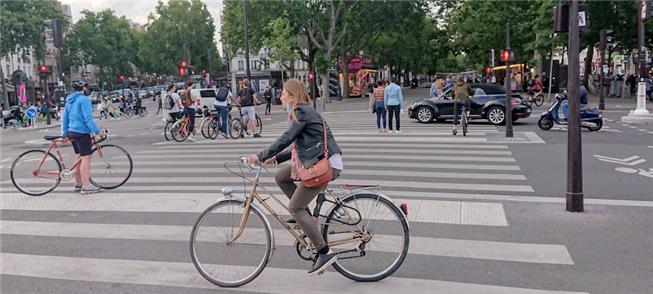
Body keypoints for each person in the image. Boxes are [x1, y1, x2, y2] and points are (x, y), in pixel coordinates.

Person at [245, 78, 343, 276]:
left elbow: (286, 138)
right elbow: (296, 144)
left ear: (292, 95)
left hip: (325, 165)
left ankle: (324, 252)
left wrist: (261, 155)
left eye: (283, 93)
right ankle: (304, 217)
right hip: (317, 161)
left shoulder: (301, 111)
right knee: (281, 175)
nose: (280, 96)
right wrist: (276, 158)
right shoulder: (302, 111)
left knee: (294, 207)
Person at [61, 81, 106, 194]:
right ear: (84, 88)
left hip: (72, 131)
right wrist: (97, 131)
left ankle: (78, 183)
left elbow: (65, 117)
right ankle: (86, 186)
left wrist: (65, 132)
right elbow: (88, 119)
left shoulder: (69, 100)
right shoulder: (84, 100)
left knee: (78, 156)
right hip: (81, 132)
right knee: (86, 158)